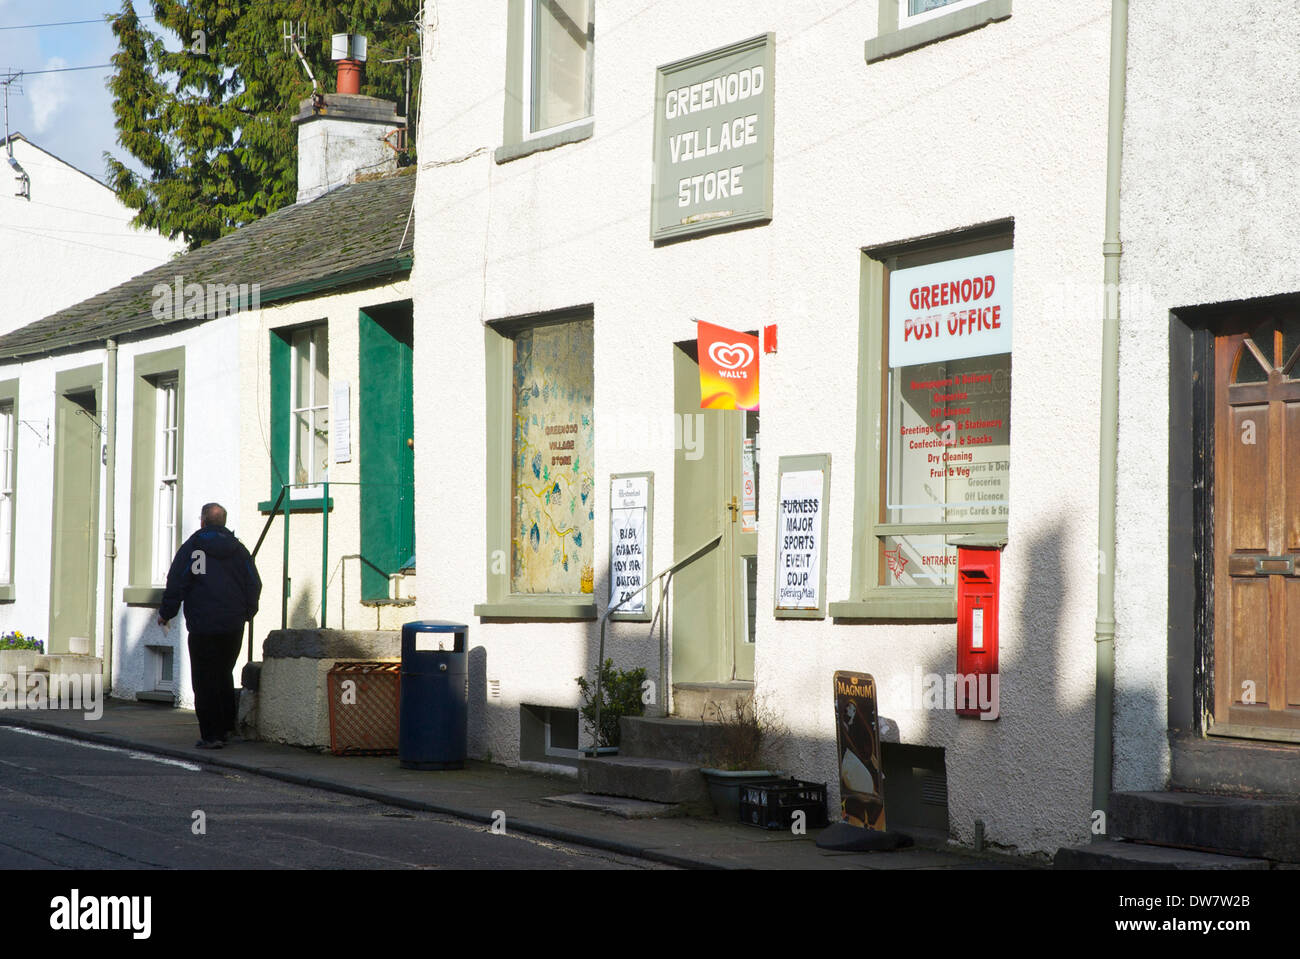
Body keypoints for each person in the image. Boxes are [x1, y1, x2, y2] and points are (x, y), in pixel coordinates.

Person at [158, 503, 261, 749]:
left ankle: (211, 735)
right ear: (223, 522)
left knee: (204, 679)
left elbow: (178, 582)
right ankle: (226, 727)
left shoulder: (195, 550)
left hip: (203, 625)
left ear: (203, 521)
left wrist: (166, 612)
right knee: (224, 673)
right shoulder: (238, 551)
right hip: (233, 625)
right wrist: (247, 612)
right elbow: (253, 583)